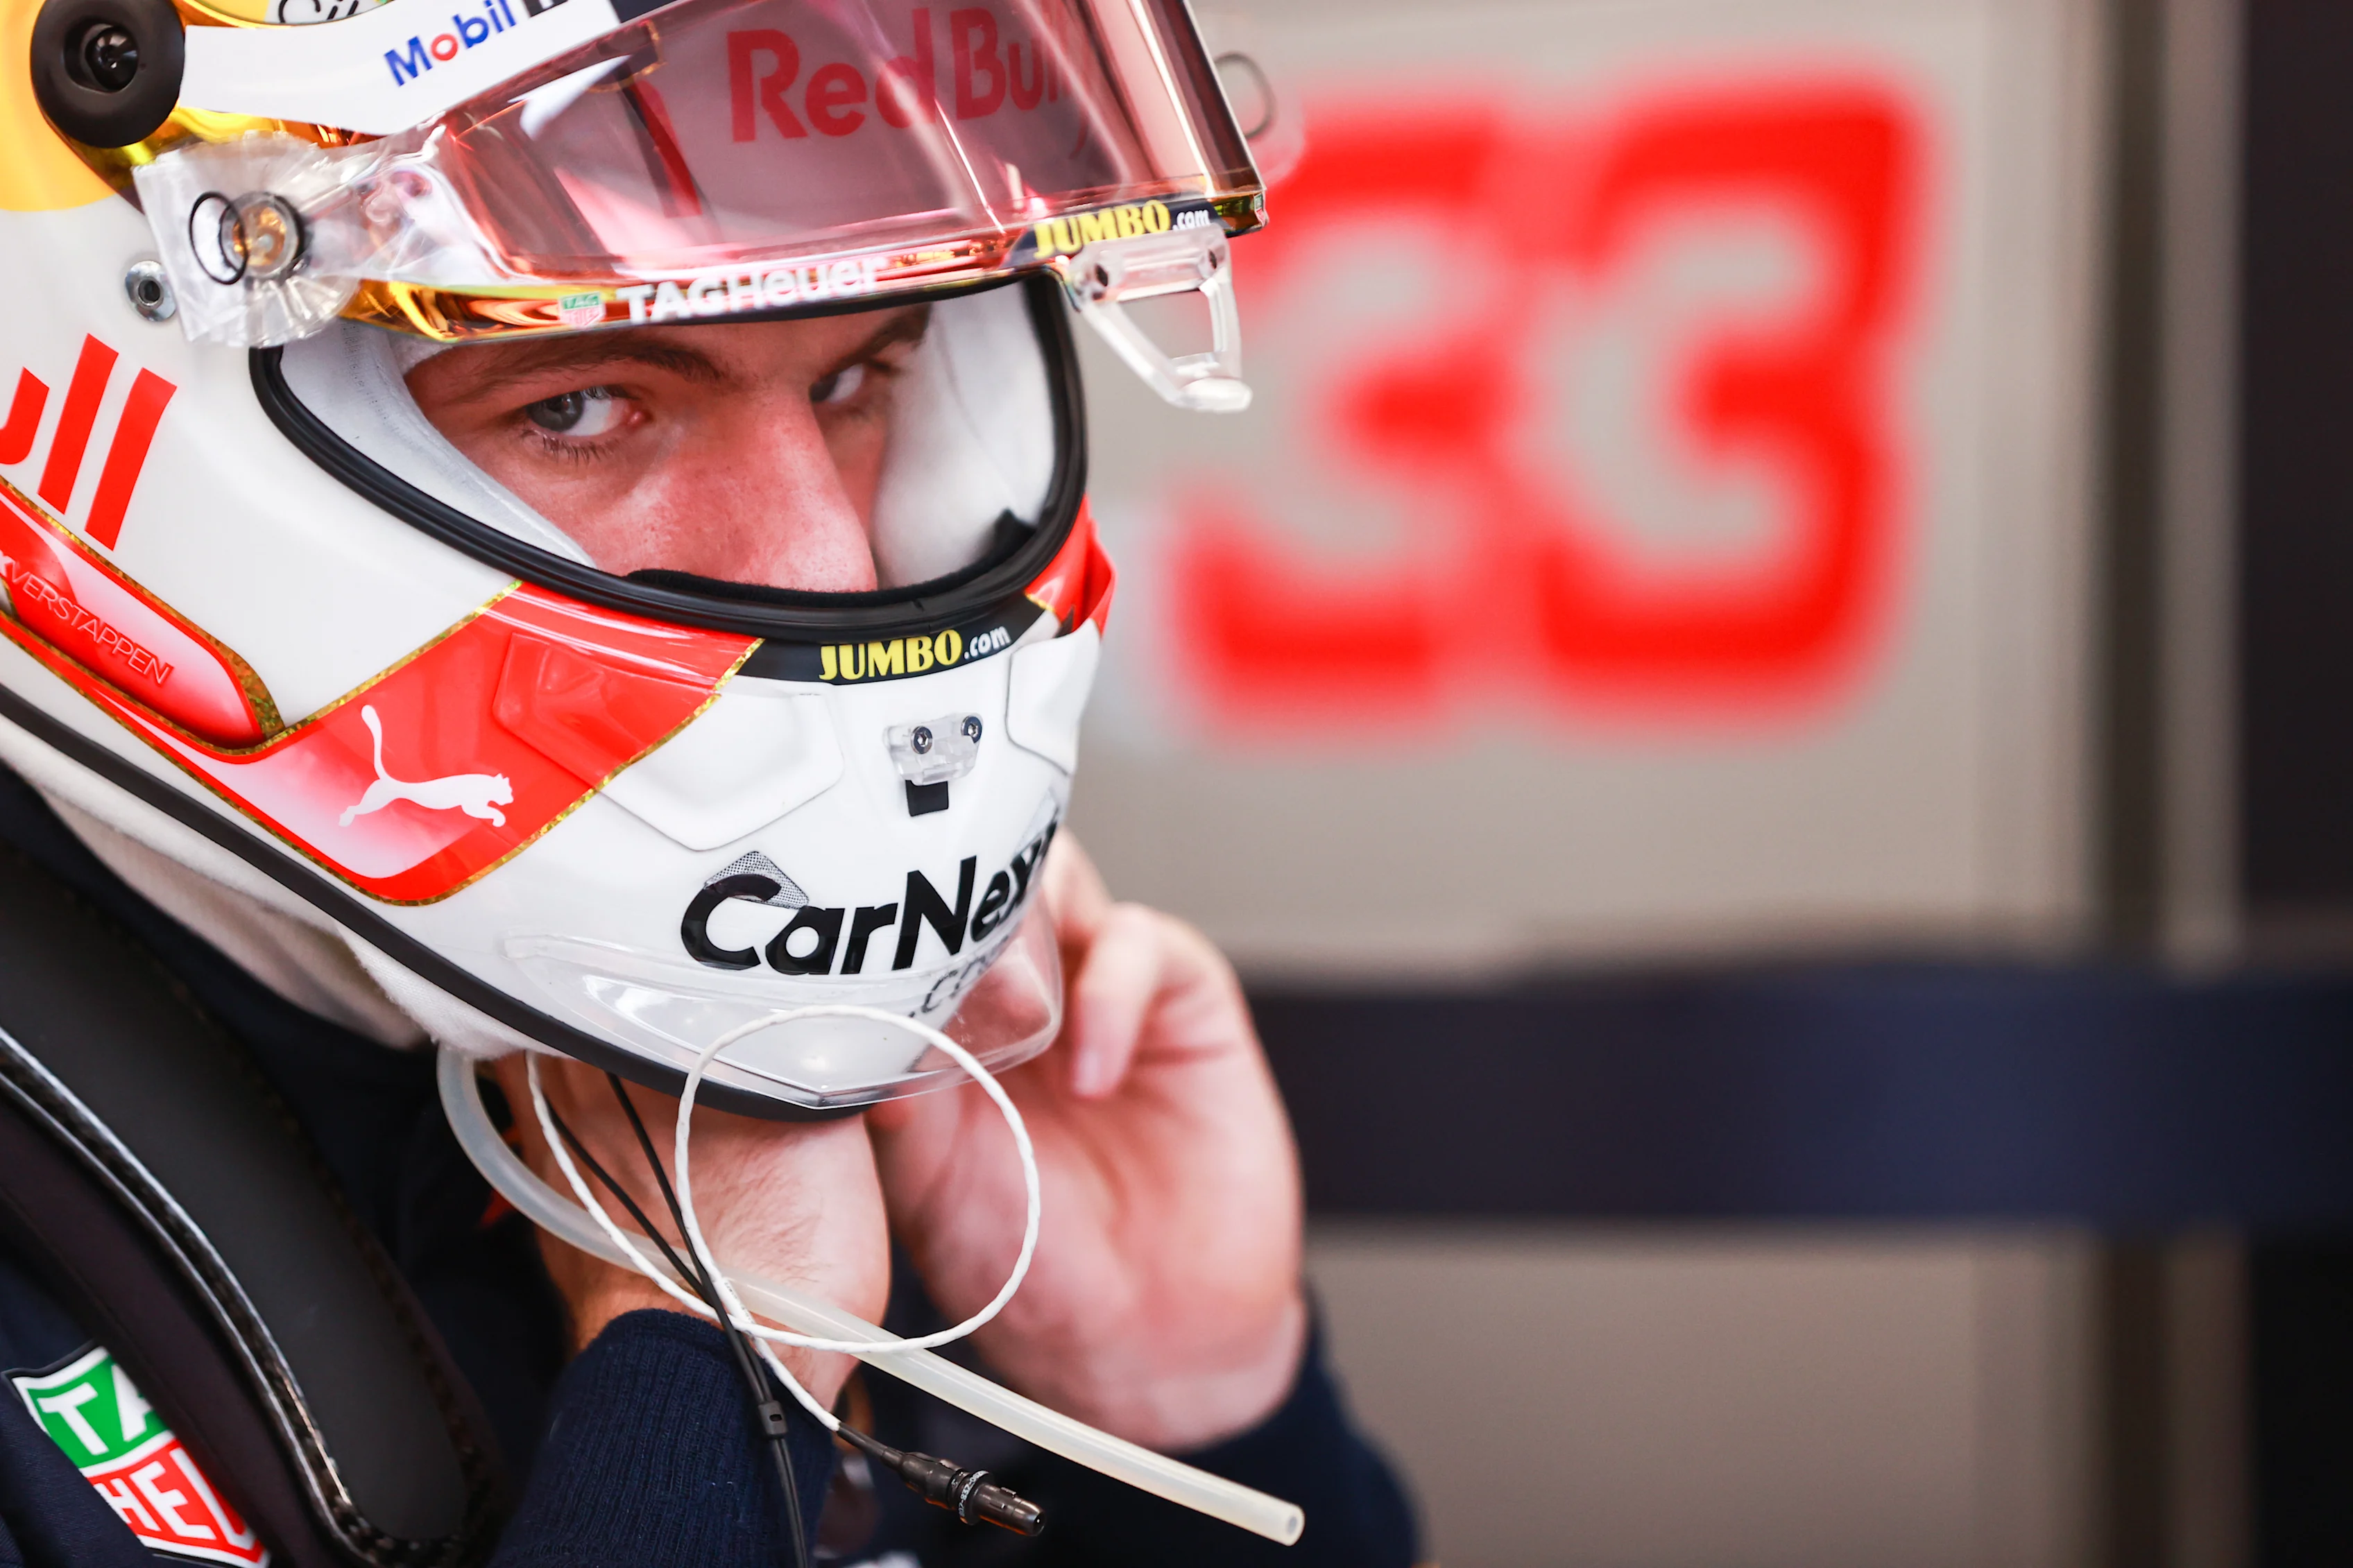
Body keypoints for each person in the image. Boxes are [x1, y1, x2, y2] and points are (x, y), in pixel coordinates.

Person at [0, 0, 1419, 1562]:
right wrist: (711, 1377)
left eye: (859, 378)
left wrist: (1183, 1407)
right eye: (579, 404)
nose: (823, 552)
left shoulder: (923, 1128)